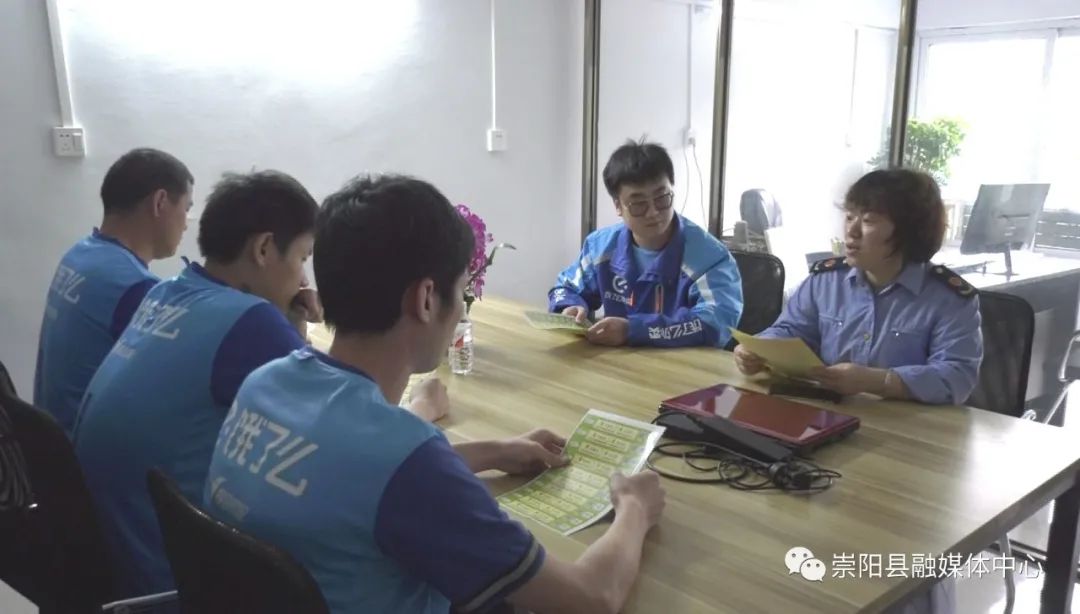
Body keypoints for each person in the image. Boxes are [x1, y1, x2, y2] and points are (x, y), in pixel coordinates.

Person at [203, 174, 666, 614]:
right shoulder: (408, 463)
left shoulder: (264, 383)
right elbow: (591, 597)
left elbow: (350, 474)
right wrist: (633, 508)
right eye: (462, 290)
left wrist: (494, 451)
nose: (460, 308)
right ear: (426, 299)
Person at [72, 170, 446, 600]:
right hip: (166, 577)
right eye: (302, 258)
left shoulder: (168, 292)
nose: (303, 279)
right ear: (264, 248)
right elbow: (360, 445)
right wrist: (422, 409)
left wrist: (290, 321)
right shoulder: (248, 322)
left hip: (108, 550)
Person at [734, 168, 982, 408]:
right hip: (829, 411)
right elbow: (792, 329)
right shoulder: (825, 281)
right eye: (850, 217)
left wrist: (880, 382)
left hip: (907, 426)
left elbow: (957, 376)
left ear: (908, 231)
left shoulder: (950, 299)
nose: (851, 232)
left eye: (868, 220)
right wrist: (758, 349)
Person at [34, 148, 193, 437]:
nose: (185, 223)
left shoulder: (79, 254)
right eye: (186, 208)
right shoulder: (135, 288)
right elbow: (172, 391)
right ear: (160, 202)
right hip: (85, 451)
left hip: (49, 442)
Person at [549, 139, 743, 348]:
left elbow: (714, 323)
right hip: (617, 361)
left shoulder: (710, 257)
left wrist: (634, 330)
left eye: (662, 198)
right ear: (618, 206)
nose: (653, 212)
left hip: (687, 364)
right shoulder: (600, 247)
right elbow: (566, 288)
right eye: (638, 204)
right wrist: (570, 307)